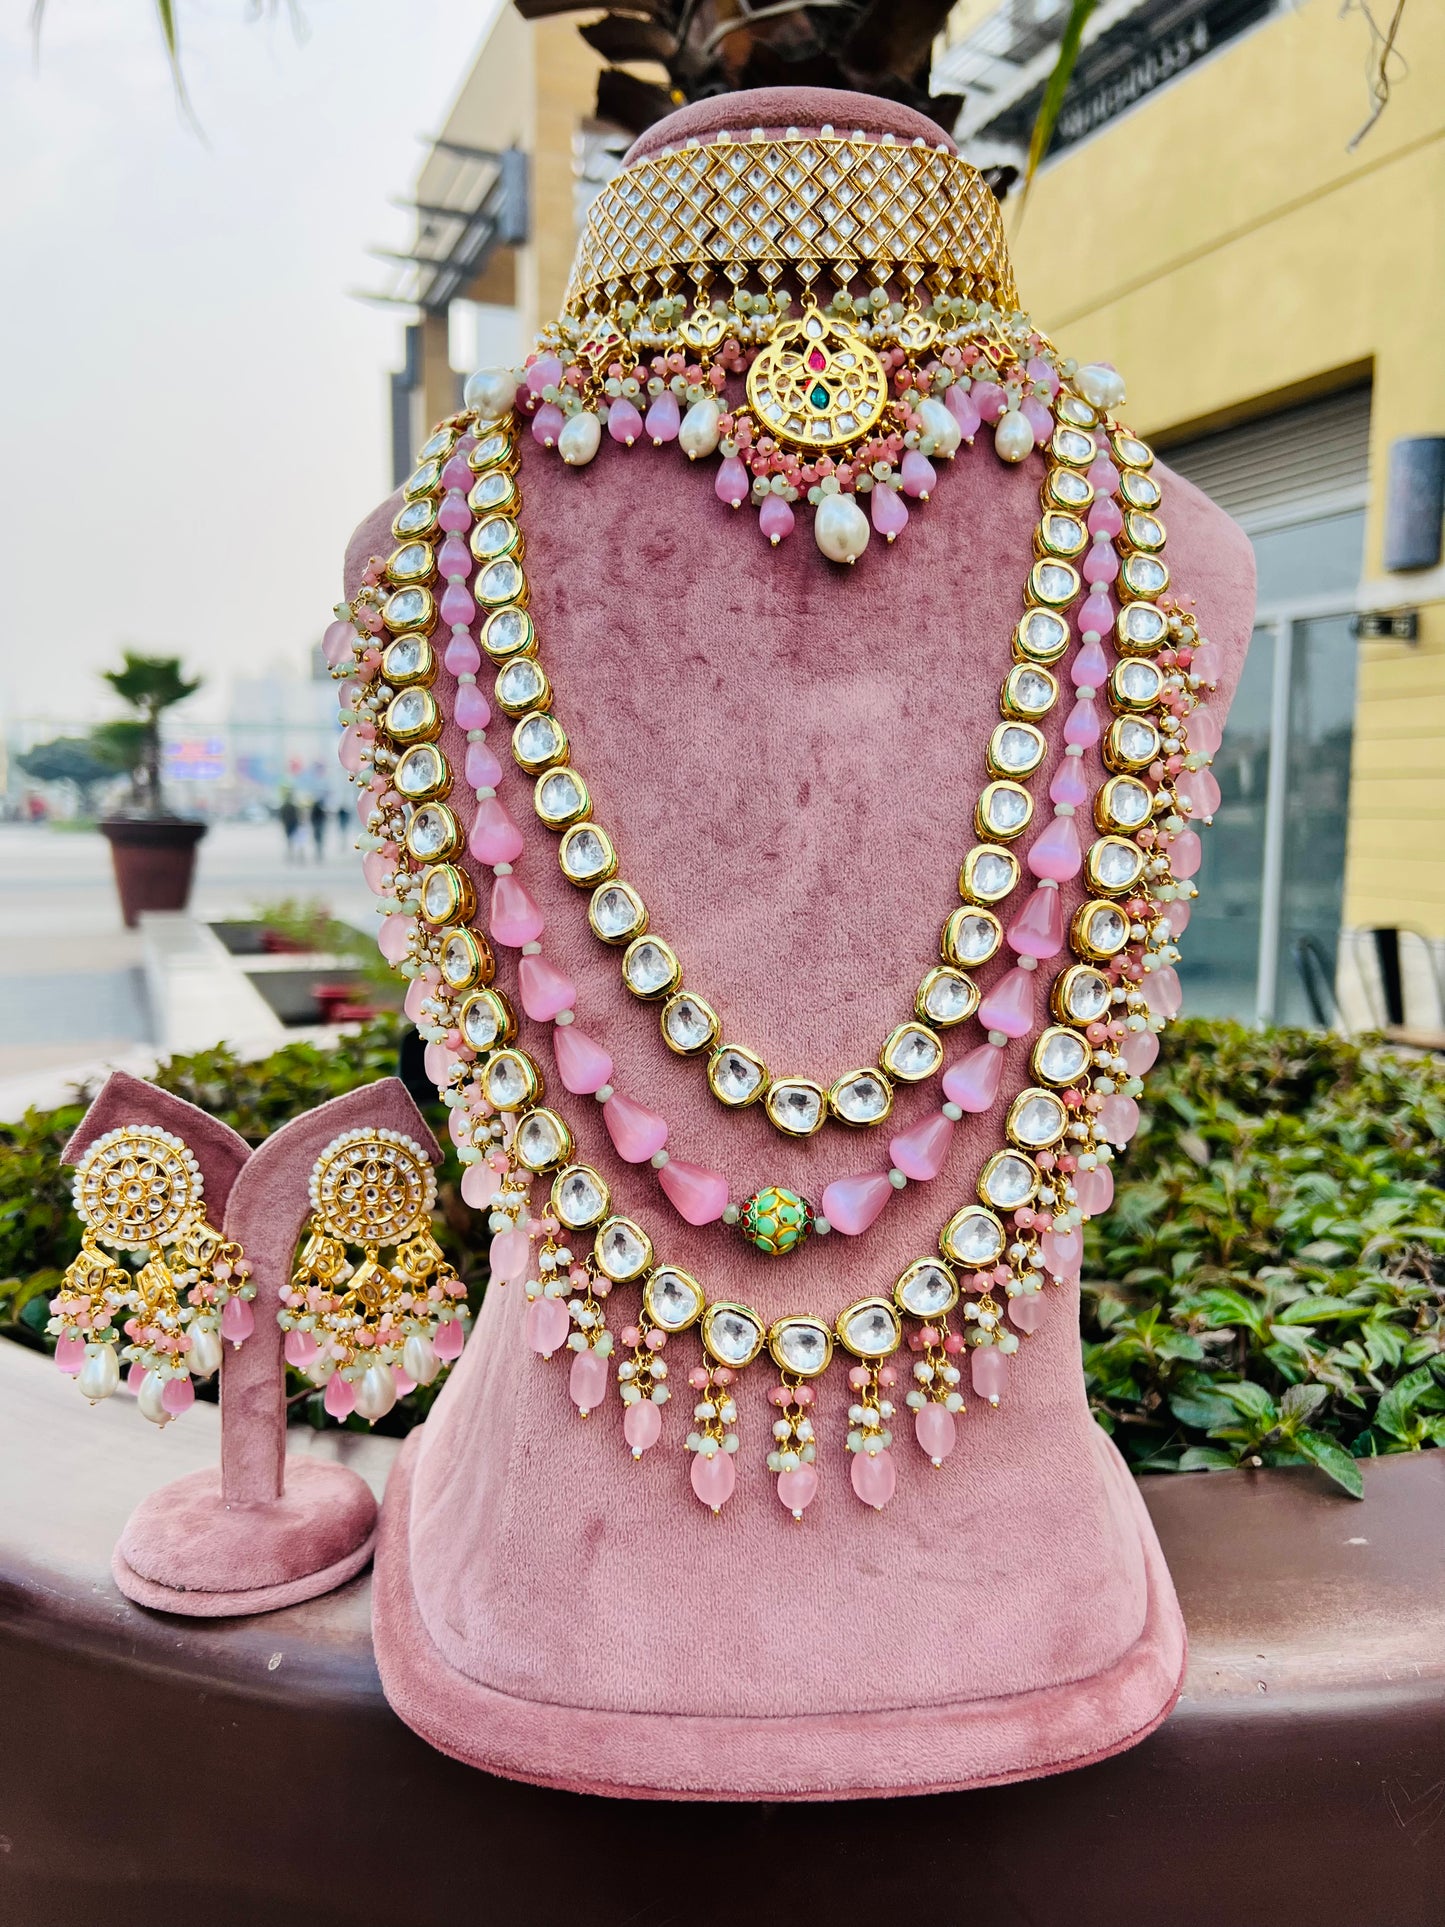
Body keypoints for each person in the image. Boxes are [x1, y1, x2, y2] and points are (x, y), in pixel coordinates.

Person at [278, 791, 301, 863]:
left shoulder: (284, 806)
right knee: (294, 839)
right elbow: (297, 816)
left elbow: (281, 816)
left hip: (288, 824)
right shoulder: (293, 806)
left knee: (289, 839)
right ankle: (293, 852)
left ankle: (290, 851)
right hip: (292, 824)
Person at [310, 795, 327, 861]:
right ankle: (319, 852)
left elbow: (311, 818)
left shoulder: (314, 809)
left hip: (316, 826)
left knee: (317, 840)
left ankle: (318, 853)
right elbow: (324, 818)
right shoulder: (320, 809)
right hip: (319, 826)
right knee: (320, 840)